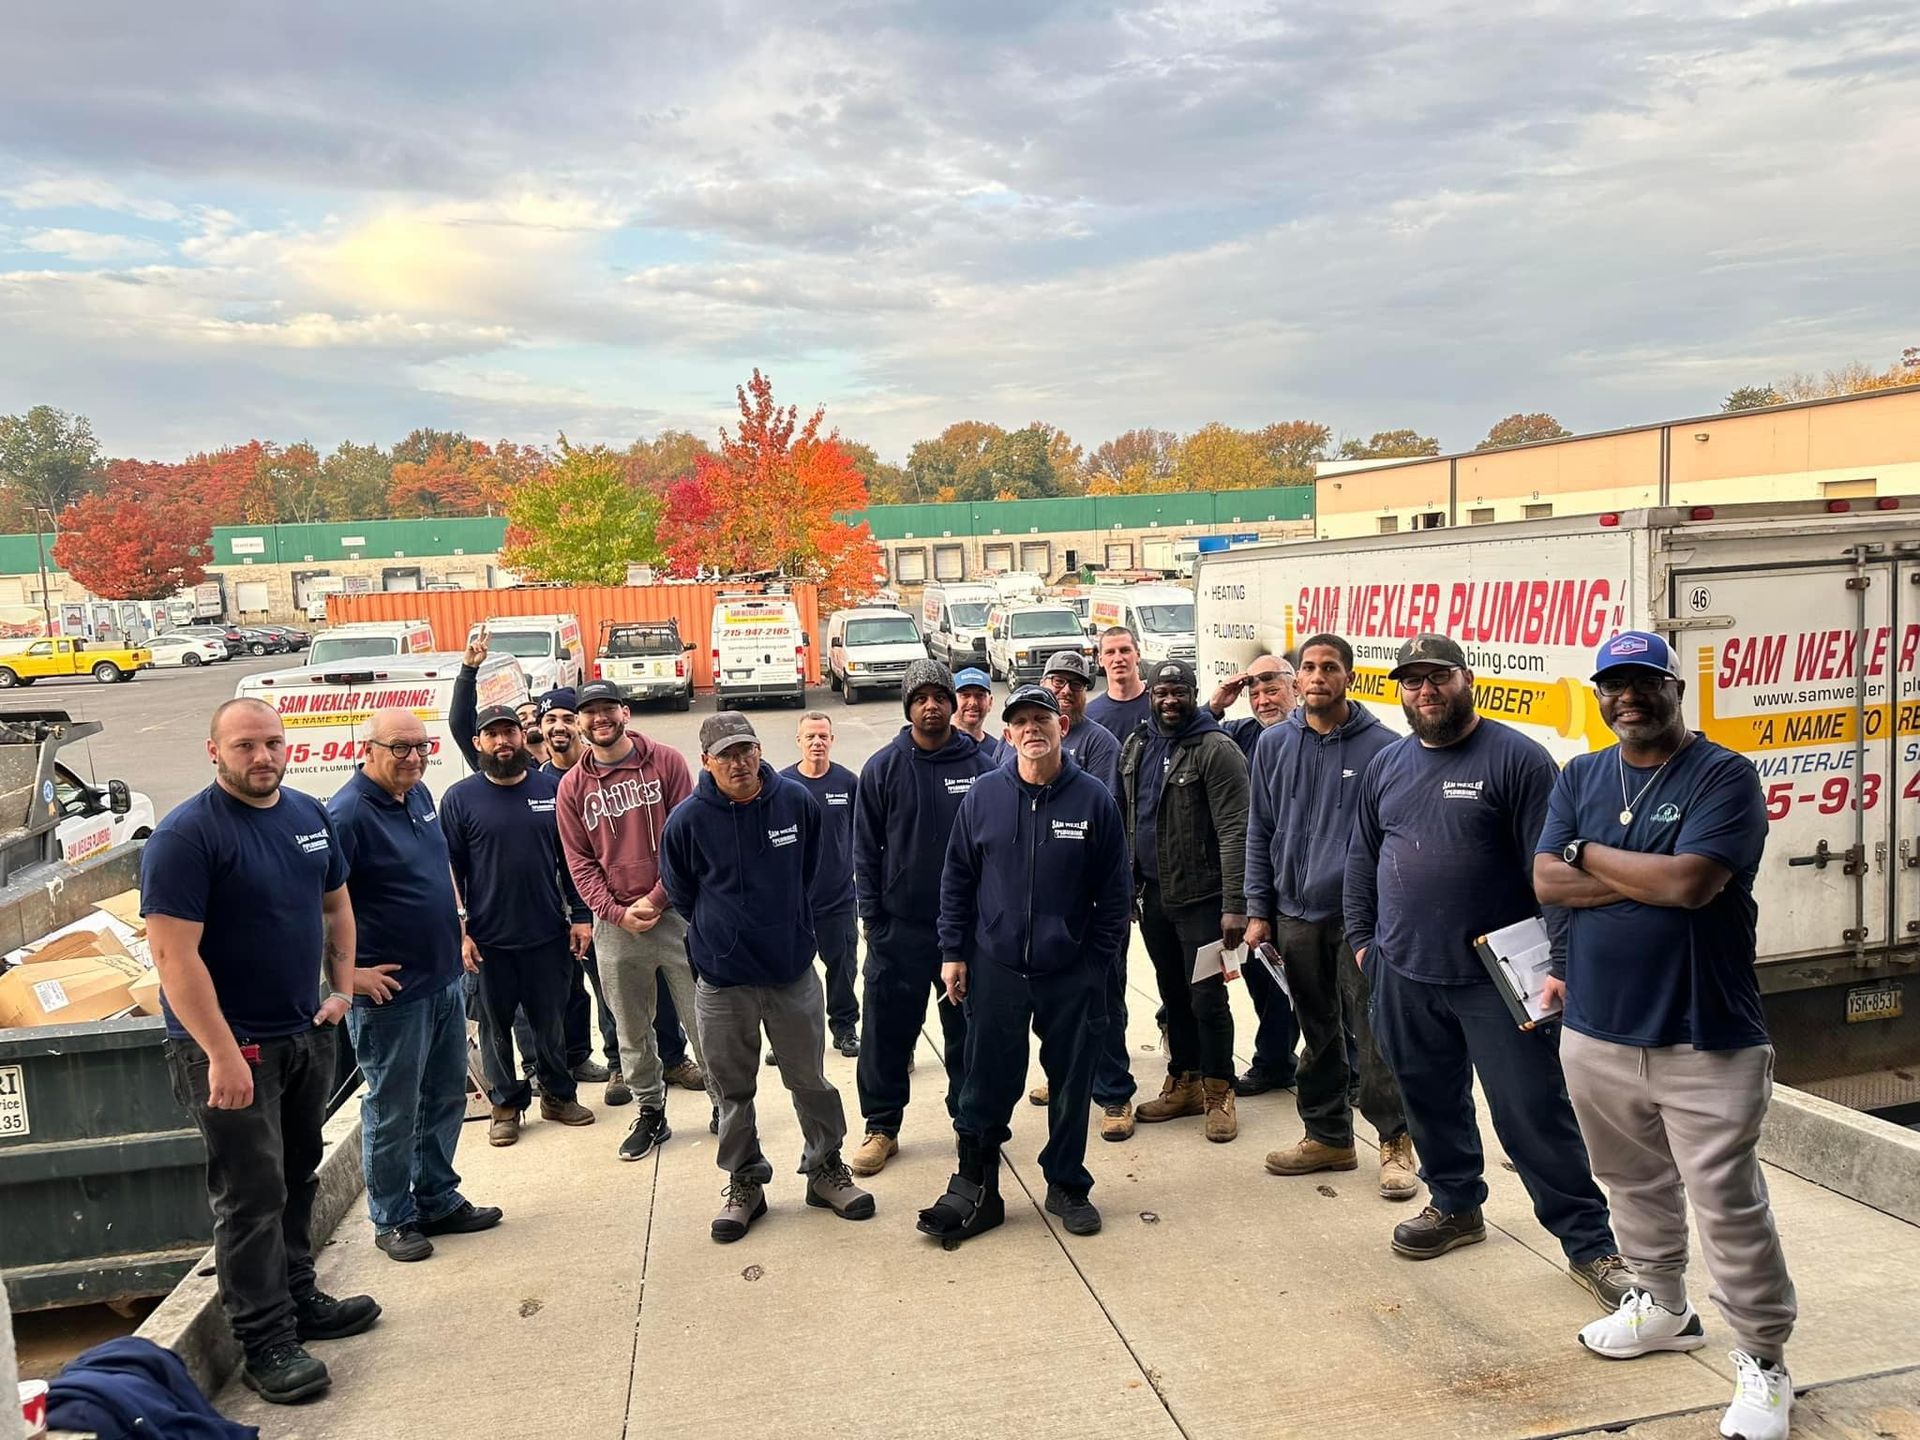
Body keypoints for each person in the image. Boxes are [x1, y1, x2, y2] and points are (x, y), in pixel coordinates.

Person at [1534, 632, 1794, 1440]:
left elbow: (1690, 883)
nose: (1630, 697)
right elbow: (1546, 877)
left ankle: (1763, 1360)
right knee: (1631, 1183)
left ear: (1676, 688)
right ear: (1600, 695)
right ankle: (1665, 1307)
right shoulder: (1580, 773)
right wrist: (1624, 871)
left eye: (1647, 682)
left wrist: (1592, 861)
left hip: (1702, 1033)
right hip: (1596, 1029)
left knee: (1727, 1204)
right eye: (1615, 685)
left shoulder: (1723, 774)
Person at [1345, 634, 1629, 1308]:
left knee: (1531, 1111)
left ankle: (1591, 1245)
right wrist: (1365, 944)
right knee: (1429, 1099)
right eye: (1412, 682)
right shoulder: (1387, 765)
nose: (1425, 692)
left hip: (1497, 977)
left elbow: (1555, 871)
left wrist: (1560, 961)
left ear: (1465, 679)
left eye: (1437, 678)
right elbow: (1362, 859)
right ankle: (1456, 1205)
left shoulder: (1518, 760)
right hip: (1405, 970)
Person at [142, 698, 376, 1405]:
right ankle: (264, 1341)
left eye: (273, 743)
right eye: (245, 745)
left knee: (298, 1176)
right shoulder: (187, 836)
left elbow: (335, 905)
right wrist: (219, 1052)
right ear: (214, 751)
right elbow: (171, 955)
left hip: (303, 1032)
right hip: (228, 1046)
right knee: (250, 1197)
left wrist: (339, 991)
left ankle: (300, 1298)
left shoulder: (308, 815)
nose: (263, 757)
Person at [920, 685, 1131, 1245]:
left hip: (1071, 971)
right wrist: (953, 952)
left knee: (1071, 1082)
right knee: (986, 1082)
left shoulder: (1092, 801)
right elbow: (957, 881)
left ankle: (1066, 1184)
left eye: (1043, 719)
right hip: (997, 969)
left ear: (1062, 726)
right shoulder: (984, 796)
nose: (1032, 729)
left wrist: (1096, 964)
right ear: (1008, 733)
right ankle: (979, 1187)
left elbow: (1115, 894)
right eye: (1021, 722)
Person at [662, 712, 875, 1242]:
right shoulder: (687, 821)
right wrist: (724, 934)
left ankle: (825, 1171)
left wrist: (786, 930)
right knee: (733, 1089)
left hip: (791, 974)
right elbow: (683, 893)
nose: (739, 763)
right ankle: (746, 1182)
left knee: (811, 1081)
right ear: (706, 762)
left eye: (747, 750)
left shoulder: (796, 802)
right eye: (726, 755)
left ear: (760, 751)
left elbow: (814, 871)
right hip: (722, 981)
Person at [1244, 633, 1415, 1200]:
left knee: (1374, 1033)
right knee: (1317, 1033)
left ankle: (1396, 1142)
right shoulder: (1272, 746)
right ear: (1297, 681)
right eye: (1309, 668)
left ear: (1349, 677)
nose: (1317, 677)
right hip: (1294, 913)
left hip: (1359, 920)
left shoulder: (1383, 749)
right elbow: (1259, 830)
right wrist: (1257, 908)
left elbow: (1396, 841)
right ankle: (1328, 1138)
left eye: (1330, 668)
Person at [330, 708, 503, 1263]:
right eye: (398, 748)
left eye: (420, 747)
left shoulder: (420, 796)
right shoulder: (348, 814)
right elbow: (315, 906)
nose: (411, 758)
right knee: (394, 1106)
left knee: (446, 1094)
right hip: (389, 995)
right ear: (368, 750)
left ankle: (435, 1197)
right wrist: (346, 975)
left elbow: (435, 875)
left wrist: (456, 930)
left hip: (442, 976)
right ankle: (392, 1217)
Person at [848, 658, 998, 1176]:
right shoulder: (882, 768)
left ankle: (971, 1124)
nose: (931, 706)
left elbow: (995, 847)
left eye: (940, 697)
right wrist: (875, 922)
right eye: (921, 698)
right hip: (900, 930)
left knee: (969, 1035)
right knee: (886, 1034)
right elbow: (865, 853)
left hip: (967, 932)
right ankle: (881, 1127)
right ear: (908, 707)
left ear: (954, 705)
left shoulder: (981, 767)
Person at [556, 679, 715, 1161]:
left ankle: (724, 1104)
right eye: (590, 712)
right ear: (581, 722)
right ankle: (651, 1112)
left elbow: (686, 837)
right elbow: (579, 861)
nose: (599, 718)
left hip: (678, 915)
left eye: (608, 708)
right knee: (630, 1028)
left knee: (704, 1017)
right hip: (615, 926)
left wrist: (660, 897)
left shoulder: (666, 761)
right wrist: (617, 912)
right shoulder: (571, 787)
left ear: (625, 713)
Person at [441, 704, 597, 1147]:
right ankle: (506, 1105)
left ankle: (558, 1095)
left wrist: (581, 916)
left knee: (550, 1022)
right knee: (494, 1027)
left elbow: (573, 861)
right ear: (478, 744)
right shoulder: (459, 798)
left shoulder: (552, 790)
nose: (502, 742)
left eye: (509, 732)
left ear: (521, 735)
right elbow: (450, 870)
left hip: (547, 931)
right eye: (492, 735)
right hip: (489, 939)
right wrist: (462, 931)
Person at [1117, 659, 1250, 1143]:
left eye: (1179, 692)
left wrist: (1235, 903)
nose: (1169, 700)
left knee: (1207, 998)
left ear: (1195, 693)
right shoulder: (1137, 745)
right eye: (1161, 692)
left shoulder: (1216, 749)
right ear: (1150, 694)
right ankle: (1186, 1080)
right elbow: (1124, 818)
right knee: (1172, 995)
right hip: (1153, 897)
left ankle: (1219, 1089)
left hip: (1204, 901)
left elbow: (1237, 829)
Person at [1024, 649, 1134, 1141]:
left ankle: (1113, 1094)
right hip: (1039, 905)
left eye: (1074, 682)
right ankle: (1064, 1075)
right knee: (1053, 1003)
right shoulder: (1021, 741)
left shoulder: (1101, 744)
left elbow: (1106, 829)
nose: (1064, 688)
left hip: (1088, 904)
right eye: (1056, 680)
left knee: (1102, 999)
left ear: (1085, 693)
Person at [1203, 652, 1303, 1095]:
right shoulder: (1240, 733)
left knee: (1322, 986)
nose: (1262, 700)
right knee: (1265, 978)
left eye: (1272, 688)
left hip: (1305, 882)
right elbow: (1189, 734)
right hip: (1259, 881)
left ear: (1295, 688)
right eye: (1255, 692)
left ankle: (1352, 1069)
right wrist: (1218, 703)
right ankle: (1275, 1061)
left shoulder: (1313, 734)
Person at [781, 712, 861, 1055]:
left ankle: (844, 1029)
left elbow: (864, 836)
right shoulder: (783, 786)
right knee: (788, 975)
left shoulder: (847, 783)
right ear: (798, 740)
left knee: (842, 969)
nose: (817, 742)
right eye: (810, 736)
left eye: (823, 736)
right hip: (794, 903)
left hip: (838, 900)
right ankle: (789, 1038)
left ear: (832, 740)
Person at [1208, 654, 1297, 760]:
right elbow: (1188, 740)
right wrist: (1213, 707)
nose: (1263, 702)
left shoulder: (1316, 732)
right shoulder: (1239, 733)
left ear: (1295, 687)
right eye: (1254, 695)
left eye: (1272, 691)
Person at [1085, 627, 1150, 740]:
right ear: (1100, 660)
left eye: (1125, 650)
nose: (1118, 659)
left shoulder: (1159, 705)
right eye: (1110, 652)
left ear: (1138, 655)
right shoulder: (1089, 715)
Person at [953, 667, 1005, 762]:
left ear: (990, 702)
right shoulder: (938, 747)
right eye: (965, 695)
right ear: (951, 701)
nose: (973, 703)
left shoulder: (998, 752)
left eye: (980, 695)